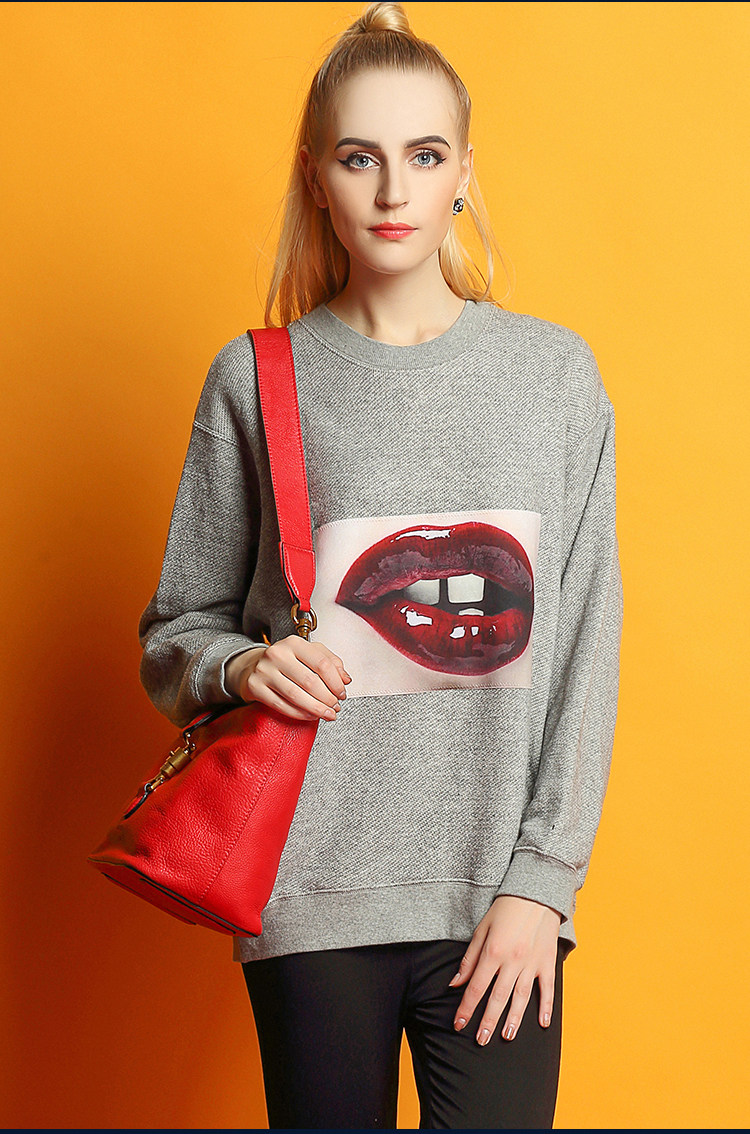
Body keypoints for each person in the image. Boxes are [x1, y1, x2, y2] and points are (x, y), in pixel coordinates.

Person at [137, 2, 624, 1128]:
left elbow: (585, 645)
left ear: (465, 171)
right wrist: (241, 667)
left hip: (496, 900)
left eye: (425, 155)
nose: (394, 192)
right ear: (317, 177)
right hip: (309, 895)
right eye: (360, 158)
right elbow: (175, 634)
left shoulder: (553, 378)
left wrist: (541, 884)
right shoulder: (256, 379)